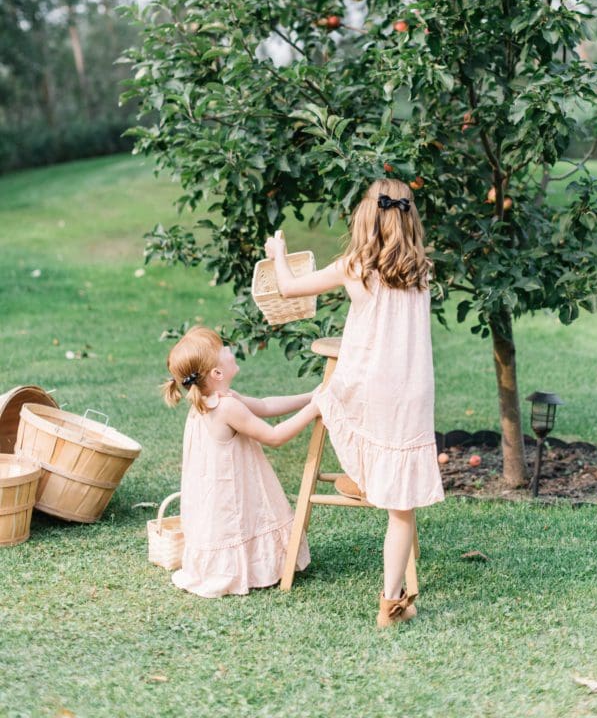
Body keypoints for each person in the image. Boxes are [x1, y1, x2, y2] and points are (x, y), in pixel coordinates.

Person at [265, 178, 444, 628]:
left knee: (329, 398)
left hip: (371, 387)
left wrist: (277, 253)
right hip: (413, 394)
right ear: (410, 220)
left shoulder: (356, 266)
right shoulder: (423, 270)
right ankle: (391, 602)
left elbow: (288, 289)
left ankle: (363, 477)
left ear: (367, 216)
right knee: (401, 509)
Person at [164, 325, 318, 597]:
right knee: (236, 524)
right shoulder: (226, 408)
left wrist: (311, 396)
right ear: (217, 373)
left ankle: (232, 567)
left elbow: (266, 405)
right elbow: (274, 436)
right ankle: (242, 569)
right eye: (223, 348)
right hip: (228, 496)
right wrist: (314, 410)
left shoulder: (213, 400)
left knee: (233, 522)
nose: (229, 348)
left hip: (217, 497)